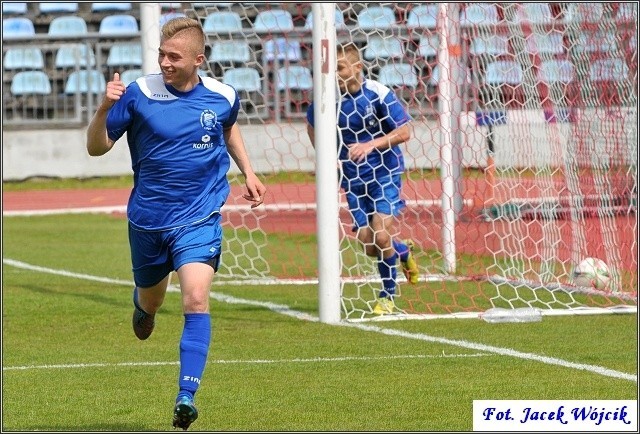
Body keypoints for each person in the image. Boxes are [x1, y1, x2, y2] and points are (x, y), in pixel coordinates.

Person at [86, 17, 266, 430]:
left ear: (198, 60)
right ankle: (143, 305)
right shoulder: (139, 93)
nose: (165, 63)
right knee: (152, 301)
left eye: (174, 57)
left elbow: (228, 126)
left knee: (197, 300)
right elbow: (96, 149)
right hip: (148, 221)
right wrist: (103, 109)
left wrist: (248, 172)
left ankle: (186, 396)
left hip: (199, 217)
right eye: (161, 55)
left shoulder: (222, 96)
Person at [305, 42, 418, 316]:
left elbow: (405, 132)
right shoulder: (328, 100)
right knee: (370, 245)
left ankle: (387, 297)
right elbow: (311, 125)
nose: (336, 74)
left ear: (358, 67)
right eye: (333, 70)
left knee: (380, 235)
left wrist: (371, 145)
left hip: (384, 174)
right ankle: (401, 252)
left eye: (341, 68)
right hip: (353, 180)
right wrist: (326, 156)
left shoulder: (378, 94)